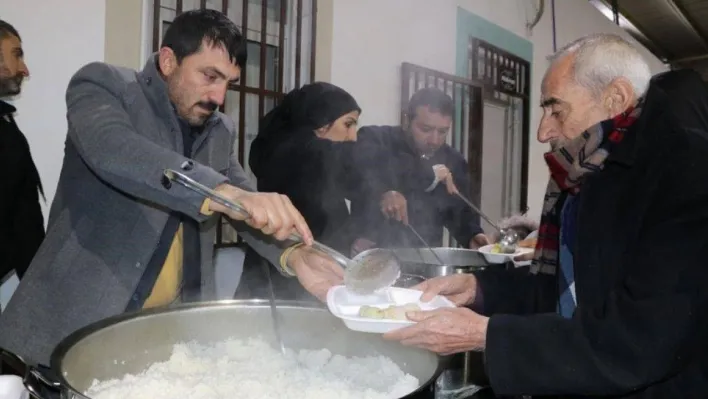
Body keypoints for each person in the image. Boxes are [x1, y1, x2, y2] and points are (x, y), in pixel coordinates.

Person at [0, 10, 343, 365]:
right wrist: (224, 193)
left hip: (169, 341)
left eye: (229, 82)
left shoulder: (219, 129)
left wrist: (295, 254)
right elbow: (112, 149)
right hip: (75, 328)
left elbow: (245, 205)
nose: (219, 96)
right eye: (209, 76)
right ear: (168, 61)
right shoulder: (105, 85)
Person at [384, 34, 708, 398]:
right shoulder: (585, 170)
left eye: (556, 110)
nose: (542, 132)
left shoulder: (688, 177)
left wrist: (484, 335)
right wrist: (480, 290)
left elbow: (640, 342)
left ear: (615, 98)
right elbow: (559, 286)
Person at [235, 82, 361, 300]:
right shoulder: (296, 151)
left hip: (310, 277)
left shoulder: (312, 159)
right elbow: (355, 164)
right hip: (281, 285)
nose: (353, 137)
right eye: (348, 124)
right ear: (321, 124)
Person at [350, 87, 488, 252]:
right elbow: (361, 170)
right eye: (426, 129)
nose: (434, 140)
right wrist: (385, 191)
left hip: (425, 256)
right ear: (407, 119)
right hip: (370, 252)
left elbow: (459, 212)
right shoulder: (376, 138)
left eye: (443, 132)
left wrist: (472, 235)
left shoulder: (453, 161)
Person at [0, 20, 45, 284]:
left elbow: (23, 219)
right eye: (16, 54)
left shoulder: (6, 124)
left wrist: (39, 288)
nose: (24, 70)